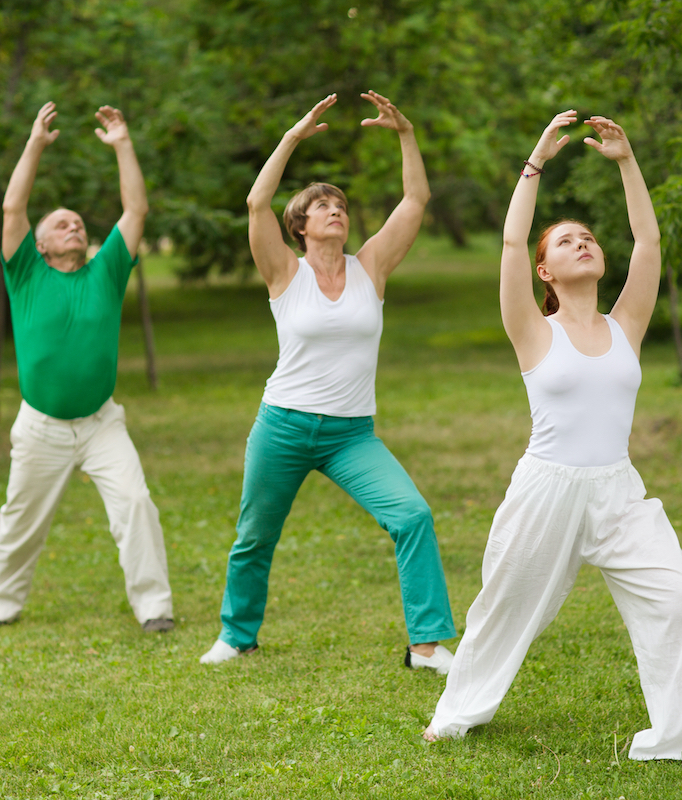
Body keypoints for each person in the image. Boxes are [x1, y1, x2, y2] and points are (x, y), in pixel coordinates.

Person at [423, 111, 682, 769]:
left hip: (618, 490)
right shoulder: (532, 329)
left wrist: (627, 162)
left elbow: (649, 242)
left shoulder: (628, 324)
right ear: (546, 273)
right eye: (566, 242)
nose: (582, 243)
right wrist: (535, 163)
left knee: (680, 599)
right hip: (547, 489)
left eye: (587, 237)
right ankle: (456, 714)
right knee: (504, 606)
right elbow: (509, 243)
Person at [199, 92, 456, 672]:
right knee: (254, 536)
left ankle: (427, 645)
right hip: (283, 425)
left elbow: (416, 198)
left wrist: (405, 134)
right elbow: (255, 199)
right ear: (299, 225)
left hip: (351, 436)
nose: (335, 209)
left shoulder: (372, 267)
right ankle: (237, 636)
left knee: (411, 515)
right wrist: (292, 137)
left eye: (340, 204)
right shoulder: (284, 272)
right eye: (321, 205)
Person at [0, 102, 174, 634]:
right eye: (62, 223)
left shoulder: (106, 271)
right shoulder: (25, 273)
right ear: (39, 245)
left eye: (79, 223)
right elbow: (12, 207)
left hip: (100, 423)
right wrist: (35, 143)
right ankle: (0, 605)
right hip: (41, 426)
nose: (74, 226)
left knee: (135, 502)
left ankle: (155, 609)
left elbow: (134, 212)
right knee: (21, 519)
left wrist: (123, 144)